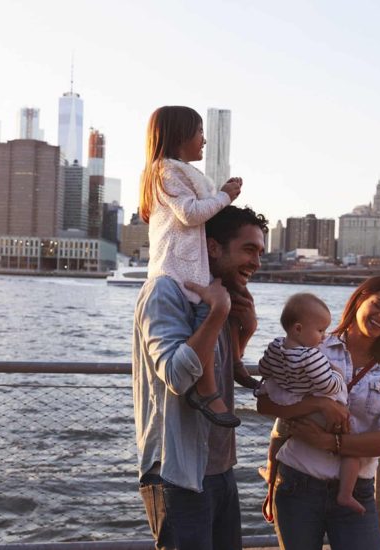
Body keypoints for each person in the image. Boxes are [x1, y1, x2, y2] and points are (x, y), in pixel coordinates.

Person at [132, 204, 268, 550]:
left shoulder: (215, 294)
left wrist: (245, 330)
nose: (257, 262)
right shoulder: (165, 291)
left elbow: (222, 369)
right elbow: (177, 375)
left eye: (260, 252)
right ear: (212, 247)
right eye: (249, 249)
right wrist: (217, 313)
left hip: (220, 469)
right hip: (178, 474)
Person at [257, 276, 380, 550]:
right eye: (378, 305)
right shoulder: (313, 342)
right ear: (359, 300)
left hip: (356, 491)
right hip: (298, 484)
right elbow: (265, 402)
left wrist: (329, 443)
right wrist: (319, 405)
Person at [140, 105, 257, 428]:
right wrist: (224, 195)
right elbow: (190, 214)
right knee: (208, 314)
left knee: (231, 304)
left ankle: (233, 363)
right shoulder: (166, 171)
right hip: (180, 267)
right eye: (200, 132)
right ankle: (206, 391)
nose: (204, 140)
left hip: (195, 264)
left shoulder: (180, 172)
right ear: (180, 134)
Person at [257, 292, 365, 516]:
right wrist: (336, 374)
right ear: (298, 329)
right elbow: (328, 386)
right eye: (320, 331)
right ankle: (346, 493)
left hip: (289, 407)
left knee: (277, 437)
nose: (324, 337)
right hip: (318, 412)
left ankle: (270, 474)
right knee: (352, 448)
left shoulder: (275, 346)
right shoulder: (312, 356)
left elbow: (264, 368)